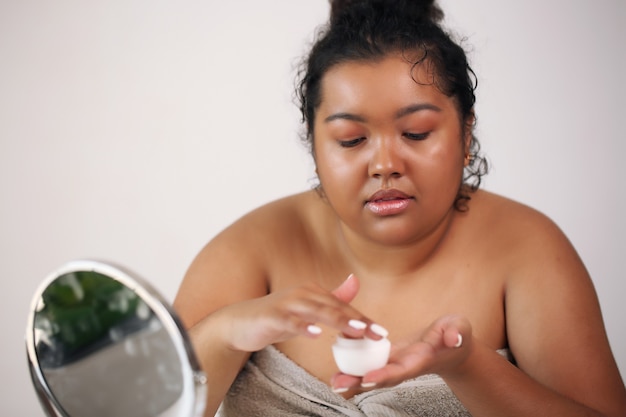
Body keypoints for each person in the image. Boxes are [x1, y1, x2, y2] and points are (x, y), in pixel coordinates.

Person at [173, 1, 626, 416]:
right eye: (351, 140)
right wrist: (224, 334)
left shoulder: (527, 248)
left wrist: (469, 367)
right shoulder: (251, 248)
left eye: (416, 133)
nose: (385, 165)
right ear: (314, 146)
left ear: (466, 134)